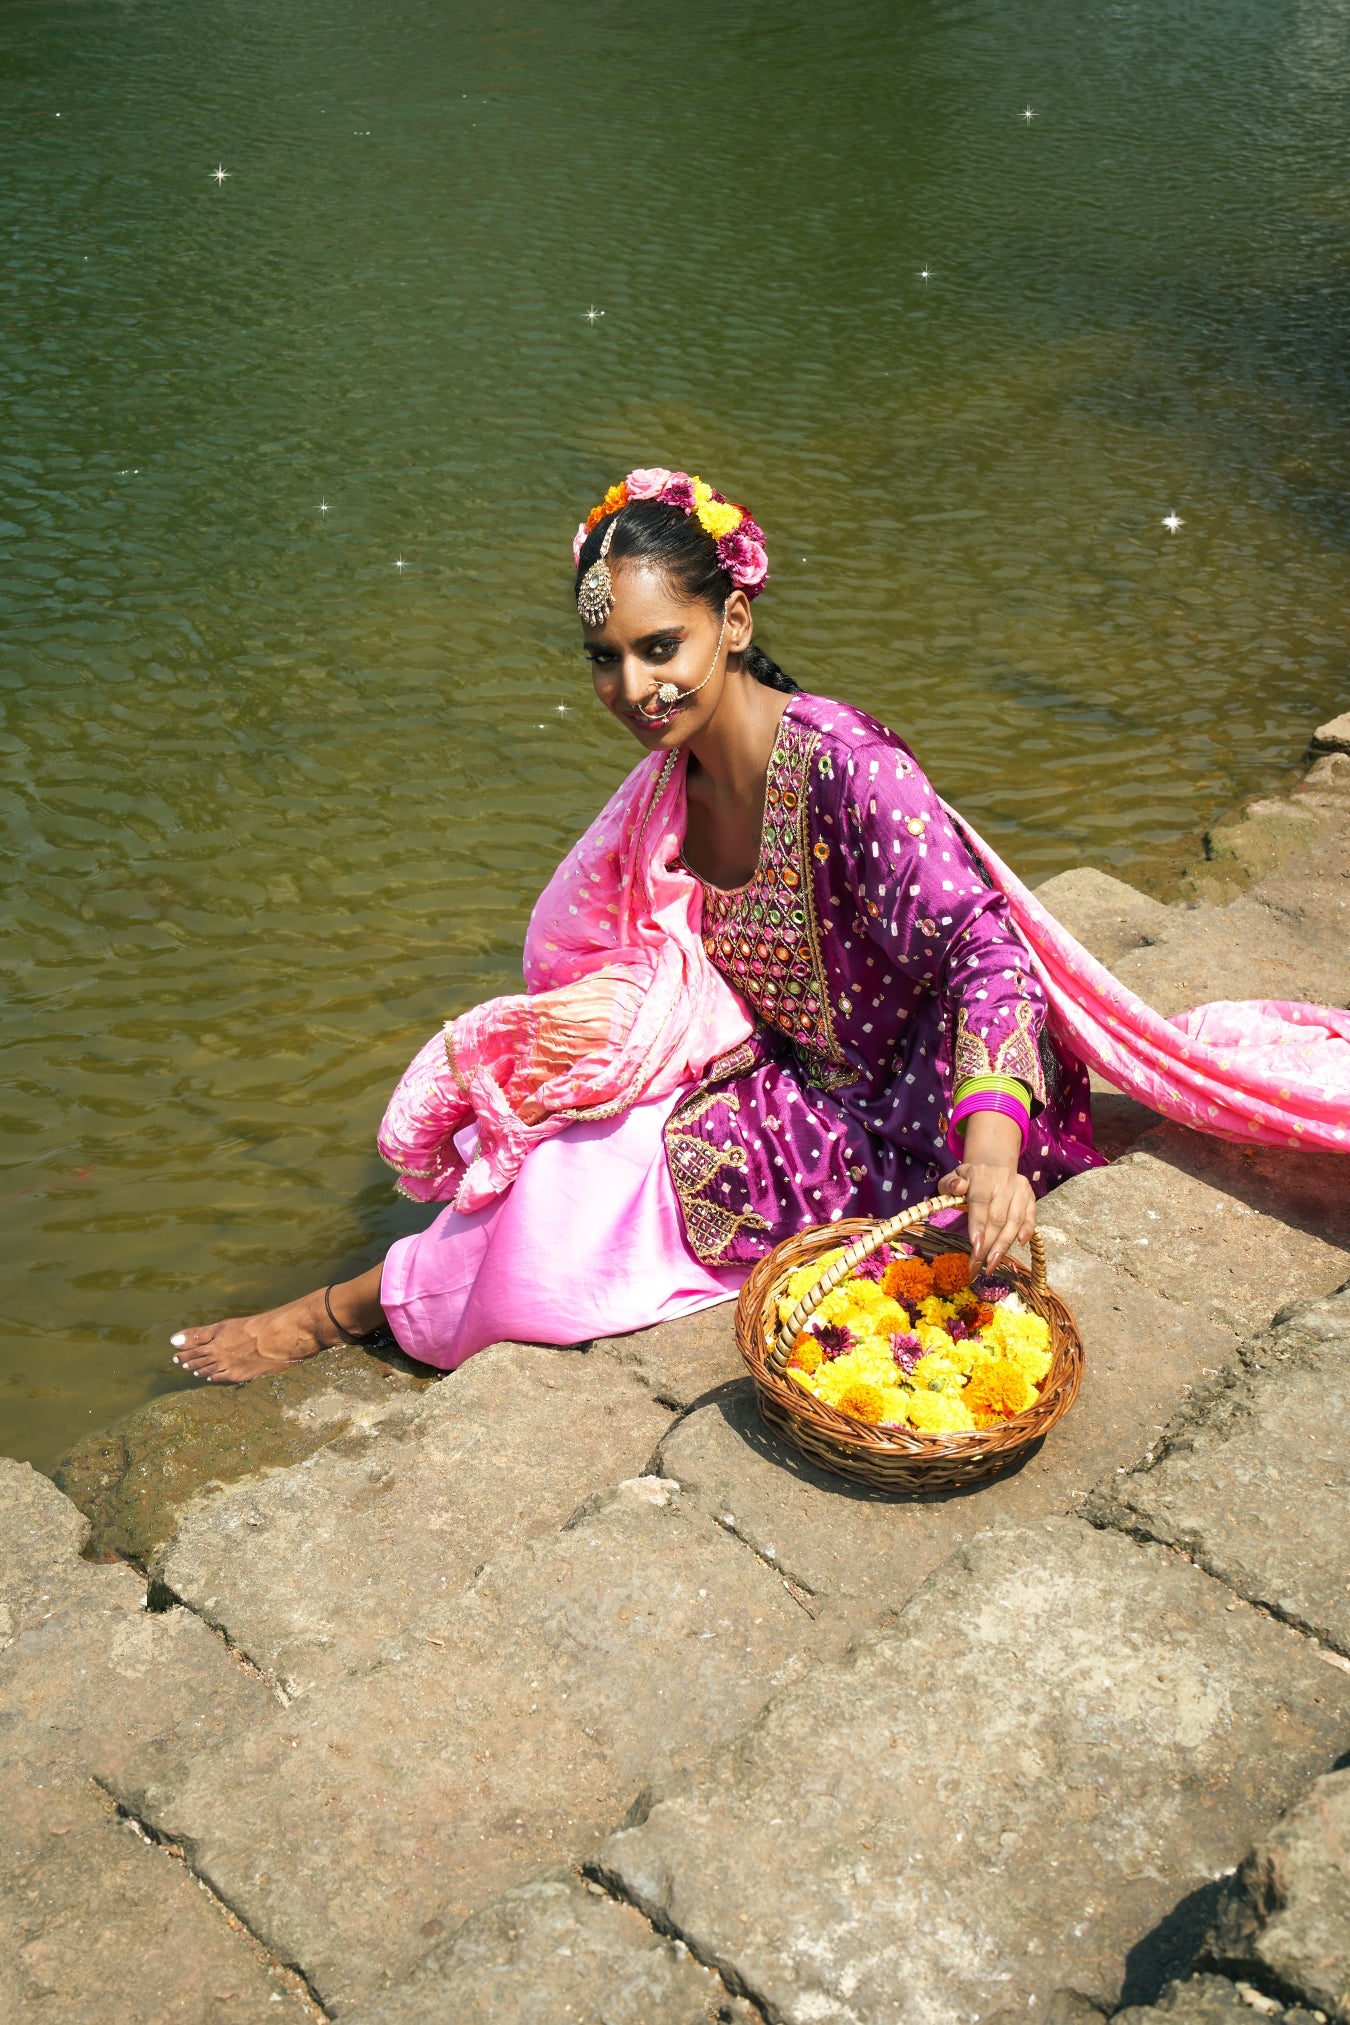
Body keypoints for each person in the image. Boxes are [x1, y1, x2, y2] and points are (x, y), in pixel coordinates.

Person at [173, 467, 1350, 1386]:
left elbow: (986, 953)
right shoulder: (668, 795)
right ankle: (362, 1303)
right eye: (605, 660)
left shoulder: (845, 768)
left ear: (732, 621)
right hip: (806, 1081)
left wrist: (991, 1154)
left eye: (659, 648)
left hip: (937, 1106)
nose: (634, 690)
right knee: (548, 1160)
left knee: (557, 1243)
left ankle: (348, 1310)